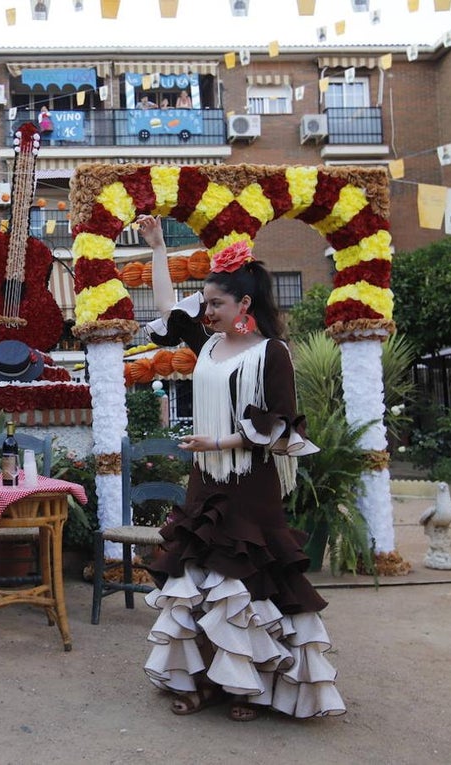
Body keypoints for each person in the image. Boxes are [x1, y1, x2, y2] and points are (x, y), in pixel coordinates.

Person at [135, 215, 345, 723]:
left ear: (244, 305)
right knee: (201, 581)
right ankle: (209, 682)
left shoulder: (272, 353)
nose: (206, 312)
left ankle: (253, 688)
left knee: (249, 586)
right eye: (205, 303)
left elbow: (280, 427)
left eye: (215, 304)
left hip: (250, 484)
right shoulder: (206, 344)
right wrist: (159, 247)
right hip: (206, 481)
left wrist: (219, 439)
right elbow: (166, 308)